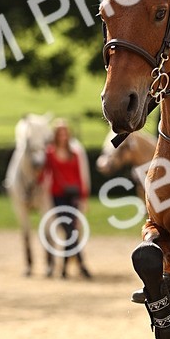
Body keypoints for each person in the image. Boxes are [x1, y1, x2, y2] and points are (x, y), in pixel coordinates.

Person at [41, 119, 93, 279]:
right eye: (60, 133)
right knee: (69, 231)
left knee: (72, 231)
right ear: (55, 135)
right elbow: (43, 173)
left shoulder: (74, 153)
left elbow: (79, 176)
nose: (63, 136)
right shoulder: (49, 153)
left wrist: (84, 197)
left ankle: (64, 269)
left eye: (65, 133)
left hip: (73, 196)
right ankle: (81, 266)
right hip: (58, 196)